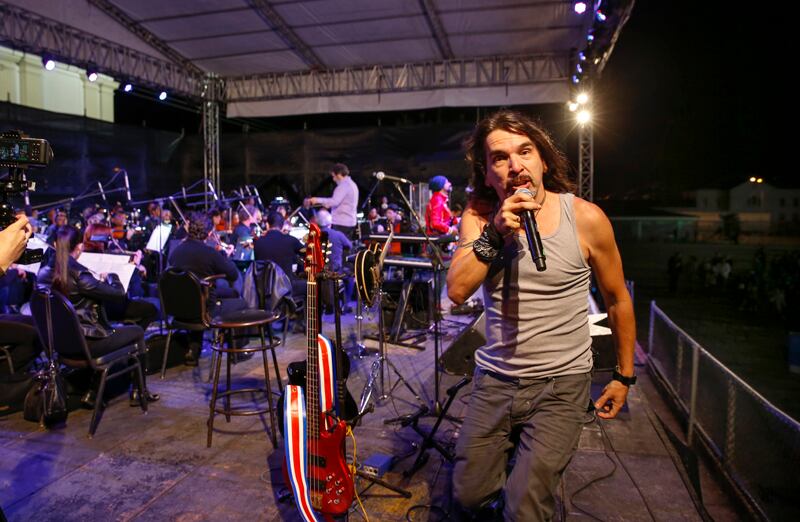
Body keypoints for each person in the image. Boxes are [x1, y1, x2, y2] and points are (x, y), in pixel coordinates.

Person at [446, 109, 636, 521]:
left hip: (561, 386)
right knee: (467, 496)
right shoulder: (479, 218)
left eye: (525, 151)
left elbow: (618, 299)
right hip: (496, 380)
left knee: (526, 509)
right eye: (500, 158)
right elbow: (457, 291)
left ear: (543, 160)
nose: (515, 165)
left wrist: (624, 377)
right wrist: (496, 233)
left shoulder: (585, 218)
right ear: (488, 173)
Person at [37, 225, 159, 407]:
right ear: (80, 247)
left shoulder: (42, 273)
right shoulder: (79, 273)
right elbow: (118, 294)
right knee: (137, 333)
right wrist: (112, 276)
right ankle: (139, 392)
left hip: (60, 344)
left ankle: (94, 390)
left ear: (55, 244)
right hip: (87, 343)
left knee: (117, 325)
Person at [168, 212, 247, 364]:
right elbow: (233, 275)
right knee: (241, 303)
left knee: (202, 295)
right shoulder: (210, 253)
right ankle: (236, 351)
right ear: (210, 233)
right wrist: (224, 255)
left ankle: (194, 349)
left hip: (179, 310)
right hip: (205, 313)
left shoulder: (176, 251)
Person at [254, 211, 305, 298]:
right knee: (310, 285)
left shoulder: (258, 242)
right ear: (282, 226)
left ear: (267, 225)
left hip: (265, 288)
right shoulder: (291, 240)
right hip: (285, 288)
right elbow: (307, 254)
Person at [305, 163, 359, 238]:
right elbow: (341, 202)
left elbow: (334, 202)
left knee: (337, 244)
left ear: (339, 174)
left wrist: (317, 200)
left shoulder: (343, 186)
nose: (333, 179)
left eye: (333, 176)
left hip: (342, 224)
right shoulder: (352, 184)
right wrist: (327, 205)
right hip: (348, 223)